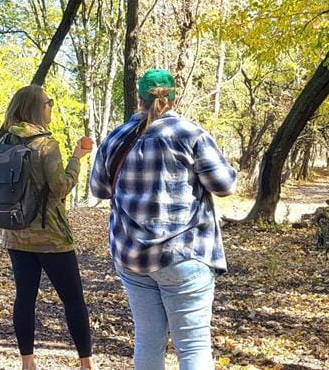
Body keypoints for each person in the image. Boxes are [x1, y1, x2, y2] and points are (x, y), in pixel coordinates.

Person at [89, 69, 236, 370]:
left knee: (147, 340)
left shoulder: (115, 137)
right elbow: (225, 186)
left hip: (132, 257)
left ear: (139, 98)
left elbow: (98, 189)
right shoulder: (190, 134)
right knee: (193, 346)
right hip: (184, 254)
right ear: (174, 97)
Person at [0, 85, 94, 370]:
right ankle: (86, 364)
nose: (51, 107)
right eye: (48, 103)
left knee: (25, 298)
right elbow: (60, 188)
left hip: (16, 233)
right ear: (38, 108)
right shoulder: (46, 145)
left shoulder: (5, 140)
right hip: (51, 236)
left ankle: (28, 363)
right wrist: (77, 158)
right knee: (73, 299)